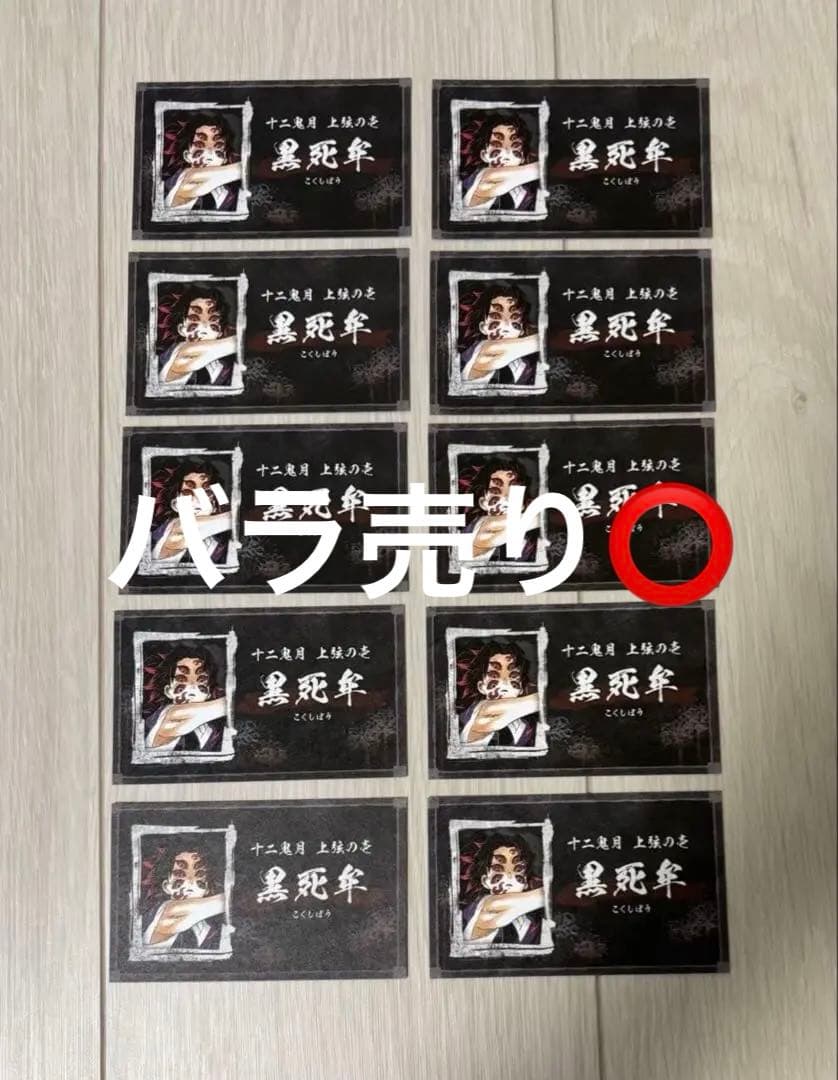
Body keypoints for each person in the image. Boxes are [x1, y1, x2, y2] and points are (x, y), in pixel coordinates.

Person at [460, 832, 545, 944]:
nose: (509, 875)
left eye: (518, 869)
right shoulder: (485, 907)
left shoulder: (527, 924)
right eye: (498, 868)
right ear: (485, 881)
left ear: (526, 882)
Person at [143, 643, 227, 753]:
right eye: (181, 678)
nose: (192, 685)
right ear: (168, 691)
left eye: (201, 679)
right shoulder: (169, 716)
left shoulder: (210, 730)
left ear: (209, 692)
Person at [455, 639, 540, 747]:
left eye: (513, 676)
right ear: (481, 687)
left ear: (521, 688)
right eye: (494, 675)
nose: (504, 683)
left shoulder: (525, 727)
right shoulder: (481, 712)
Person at [149, 458, 232, 567]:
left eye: (206, 489)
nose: (198, 497)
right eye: (188, 491)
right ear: (175, 502)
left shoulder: (219, 545)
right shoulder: (172, 529)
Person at [457, 281, 539, 386]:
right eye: (496, 316)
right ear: (483, 327)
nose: (506, 325)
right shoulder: (481, 352)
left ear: (522, 329)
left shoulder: (524, 366)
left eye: (514, 317)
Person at [142, 848, 226, 951]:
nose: (190, 881)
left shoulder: (208, 929)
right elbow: (226, 901)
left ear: (207, 888)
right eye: (180, 874)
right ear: (166, 886)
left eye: (199, 874)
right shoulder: (168, 912)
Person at [156, 286, 238, 388]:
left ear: (220, 331)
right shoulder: (177, 354)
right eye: (194, 318)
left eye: (213, 319)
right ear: (181, 329)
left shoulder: (225, 368)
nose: (204, 326)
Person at [461, 456, 538, 563]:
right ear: (483, 503)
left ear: (523, 505)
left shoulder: (526, 543)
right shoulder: (482, 527)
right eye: (495, 491)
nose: (505, 496)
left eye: (514, 491)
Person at [460, 111, 540, 211]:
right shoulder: (486, 178)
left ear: (523, 157)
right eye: (496, 144)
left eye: (515, 145)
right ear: (484, 155)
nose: (506, 152)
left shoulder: (524, 192)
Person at [162, 113, 243, 212]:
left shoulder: (225, 193)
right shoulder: (184, 180)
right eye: (199, 145)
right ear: (187, 156)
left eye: (218, 146)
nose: (209, 154)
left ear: (225, 158)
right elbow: (197, 179)